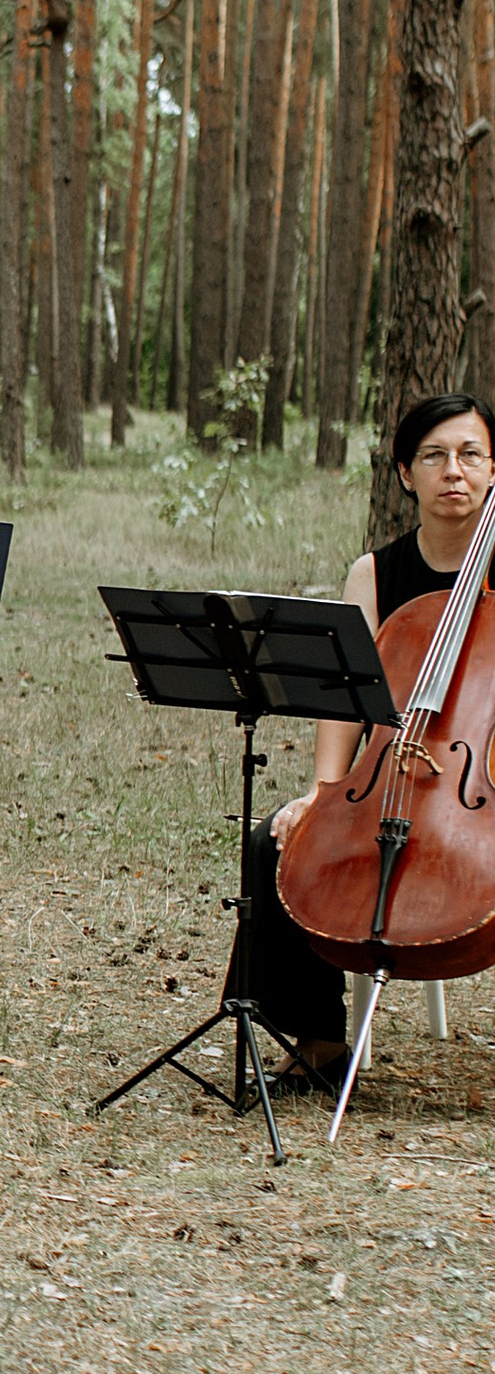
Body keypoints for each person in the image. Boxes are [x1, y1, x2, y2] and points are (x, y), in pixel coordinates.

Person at [251, 391, 495, 1090]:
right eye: (434, 456)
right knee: (278, 839)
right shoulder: (376, 576)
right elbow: (344, 702)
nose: (454, 470)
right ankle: (319, 1044)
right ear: (403, 474)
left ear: (492, 469)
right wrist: (326, 794)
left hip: (480, 785)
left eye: (471, 454)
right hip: (386, 778)